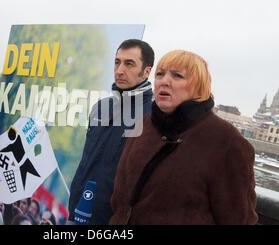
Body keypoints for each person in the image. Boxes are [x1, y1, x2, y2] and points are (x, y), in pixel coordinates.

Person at [110, 50, 258, 224]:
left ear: (199, 86)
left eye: (177, 76)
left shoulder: (226, 142)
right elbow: (119, 200)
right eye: (160, 74)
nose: (164, 81)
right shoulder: (142, 126)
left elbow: (238, 218)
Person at [68, 39, 155, 224]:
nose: (119, 70)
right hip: (77, 212)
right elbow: (87, 162)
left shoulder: (153, 117)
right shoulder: (100, 107)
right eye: (117, 62)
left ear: (146, 71)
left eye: (129, 64)